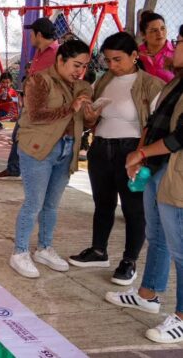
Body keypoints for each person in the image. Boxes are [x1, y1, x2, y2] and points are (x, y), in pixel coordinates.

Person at [105, 31, 183, 344]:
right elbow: (154, 124)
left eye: (179, 42)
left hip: (176, 173)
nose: (174, 47)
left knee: (181, 248)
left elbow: (180, 136)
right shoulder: (176, 81)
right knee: (158, 236)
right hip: (159, 168)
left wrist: (141, 153)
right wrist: (143, 154)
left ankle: (180, 317)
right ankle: (148, 294)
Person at [67, 32, 164, 285]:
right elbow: (93, 121)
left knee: (133, 208)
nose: (112, 65)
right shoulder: (106, 79)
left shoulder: (150, 84)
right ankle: (98, 250)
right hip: (101, 148)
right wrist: (90, 114)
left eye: (118, 59)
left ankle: (129, 261)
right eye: (108, 60)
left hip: (130, 149)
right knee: (103, 203)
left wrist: (140, 155)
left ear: (134, 56)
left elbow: (154, 126)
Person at [9, 40, 97, 279]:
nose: (80, 71)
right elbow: (36, 115)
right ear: (60, 60)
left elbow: (83, 121)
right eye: (76, 65)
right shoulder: (39, 80)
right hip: (38, 149)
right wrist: (72, 107)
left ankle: (44, 248)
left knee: (51, 205)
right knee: (33, 203)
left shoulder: (79, 85)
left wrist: (90, 116)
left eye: (84, 66)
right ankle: (20, 252)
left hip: (67, 149)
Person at [0, 17, 60, 181]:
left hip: (45, 106)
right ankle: (15, 169)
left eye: (32, 33)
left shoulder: (58, 53)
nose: (30, 36)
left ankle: (35, 172)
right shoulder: (39, 52)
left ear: (38, 34)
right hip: (30, 104)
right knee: (18, 135)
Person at [138, 11, 176, 84]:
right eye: (154, 30)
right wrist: (137, 58)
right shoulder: (137, 53)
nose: (160, 33)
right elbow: (129, 67)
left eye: (162, 28)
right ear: (143, 34)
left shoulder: (176, 53)